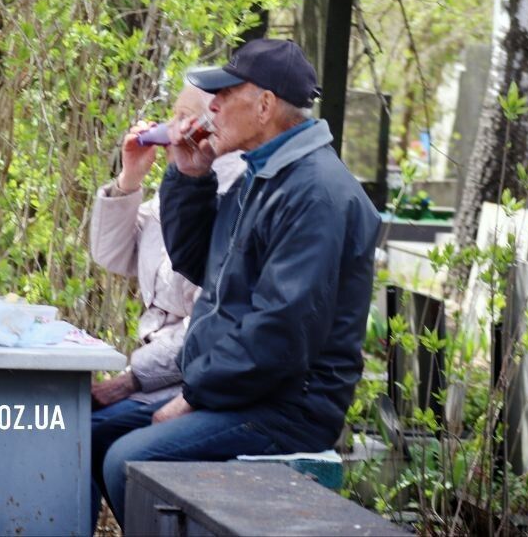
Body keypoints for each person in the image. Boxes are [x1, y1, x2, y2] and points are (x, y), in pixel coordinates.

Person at [93, 38, 379, 523]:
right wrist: (190, 176)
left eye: (225, 94)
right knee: (90, 432)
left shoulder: (315, 194)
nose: (214, 107)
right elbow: (201, 264)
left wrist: (194, 396)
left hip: (289, 407)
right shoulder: (262, 177)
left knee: (127, 461)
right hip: (242, 390)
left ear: (265, 105)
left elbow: (281, 334)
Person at [88, 86, 244, 527]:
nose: (169, 124)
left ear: (207, 124)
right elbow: (111, 255)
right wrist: (129, 178)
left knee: (88, 433)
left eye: (181, 116)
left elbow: (208, 327)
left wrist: (131, 379)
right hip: (158, 369)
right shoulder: (181, 180)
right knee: (76, 427)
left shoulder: (227, 192)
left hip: (186, 376)